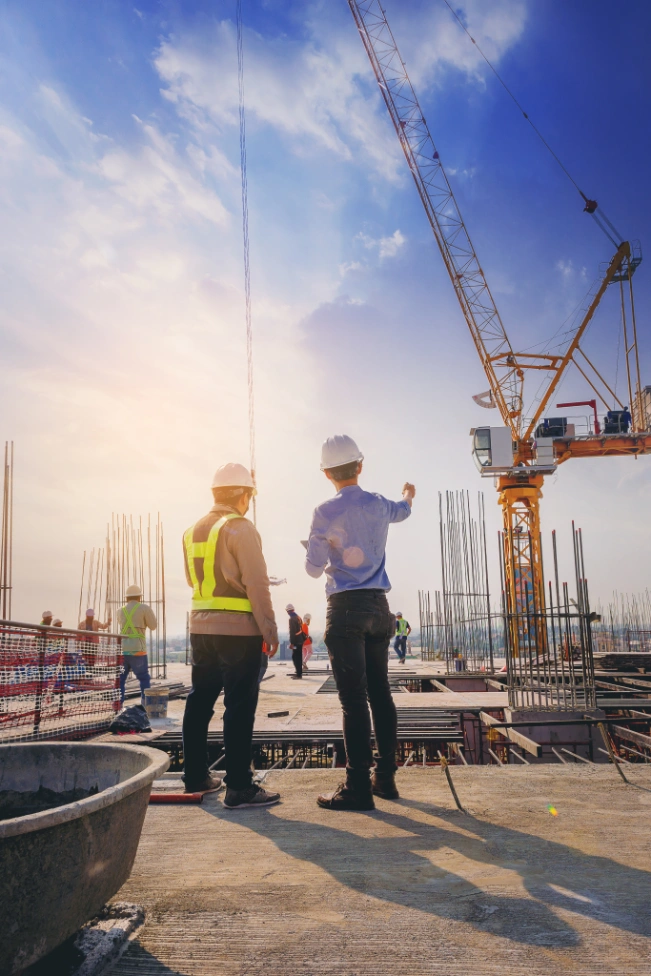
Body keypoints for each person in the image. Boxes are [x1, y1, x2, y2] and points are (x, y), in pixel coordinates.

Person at [305, 434, 415, 811]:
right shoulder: (382, 505)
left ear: (326, 474)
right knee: (380, 694)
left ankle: (357, 787)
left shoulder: (324, 511)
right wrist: (408, 495)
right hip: (379, 607)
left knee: (353, 701)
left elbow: (313, 569)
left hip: (346, 608)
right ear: (360, 466)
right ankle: (384, 779)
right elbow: (404, 509)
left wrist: (319, 546)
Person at [182, 462, 280, 807]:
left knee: (199, 701)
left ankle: (195, 776)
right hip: (238, 632)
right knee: (239, 706)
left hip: (200, 627)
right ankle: (239, 785)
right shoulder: (241, 528)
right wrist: (269, 628)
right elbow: (256, 583)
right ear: (243, 494)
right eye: (250, 495)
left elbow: (194, 581)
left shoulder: (191, 530)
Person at [117, 584, 157, 704]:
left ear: (126, 598)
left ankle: (118, 706)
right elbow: (153, 626)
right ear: (140, 597)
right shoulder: (144, 608)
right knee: (144, 678)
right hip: (138, 650)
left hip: (123, 650)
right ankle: (146, 706)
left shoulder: (120, 610)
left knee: (120, 680)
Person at [286, 603, 305, 678]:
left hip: (296, 641)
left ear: (287, 611)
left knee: (295, 657)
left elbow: (292, 632)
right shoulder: (298, 617)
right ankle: (299, 672)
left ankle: (298, 674)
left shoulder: (292, 619)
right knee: (298, 657)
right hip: (300, 640)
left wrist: (292, 643)